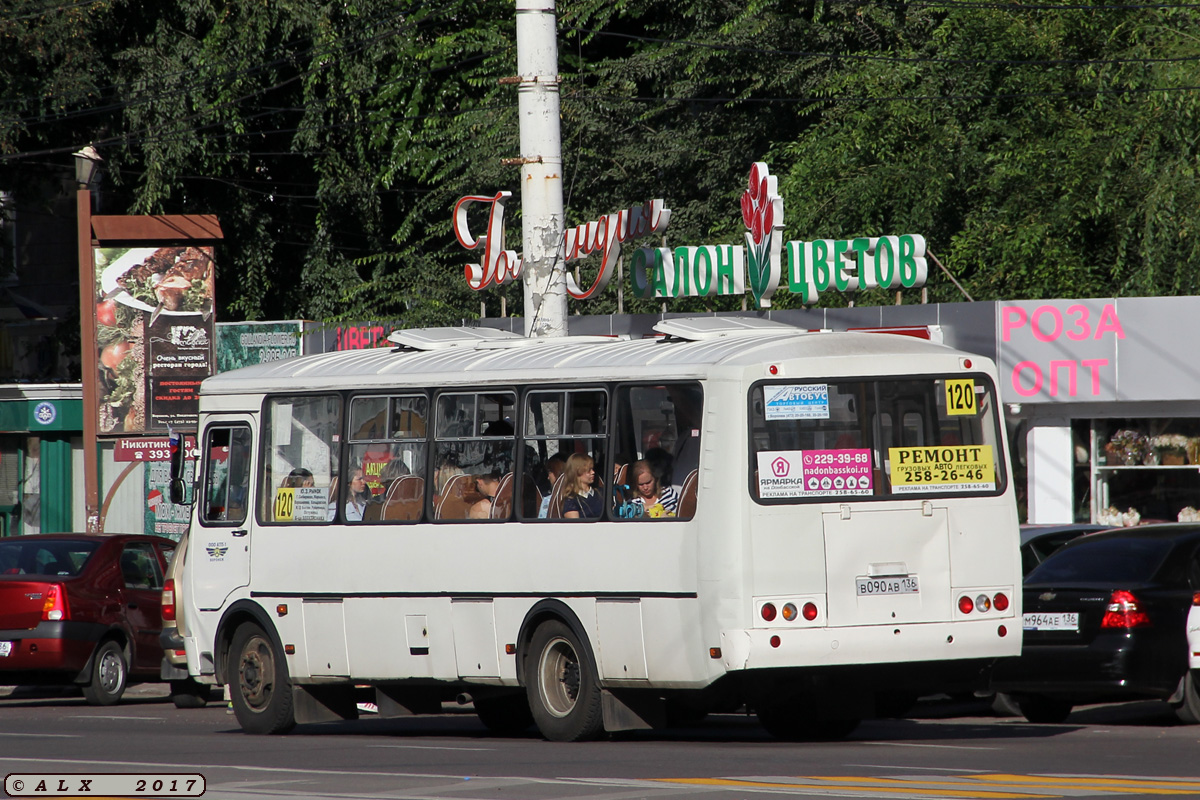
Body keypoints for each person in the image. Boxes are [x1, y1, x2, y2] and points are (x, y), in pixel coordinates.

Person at [562, 453, 602, 519]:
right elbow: (576, 526)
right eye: (589, 470)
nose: (593, 472)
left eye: (592, 469)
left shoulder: (601, 493)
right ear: (577, 472)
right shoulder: (571, 501)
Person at [538, 454, 566, 518]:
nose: (548, 477)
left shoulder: (548, 501)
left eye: (550, 472)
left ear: (557, 472)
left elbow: (541, 522)